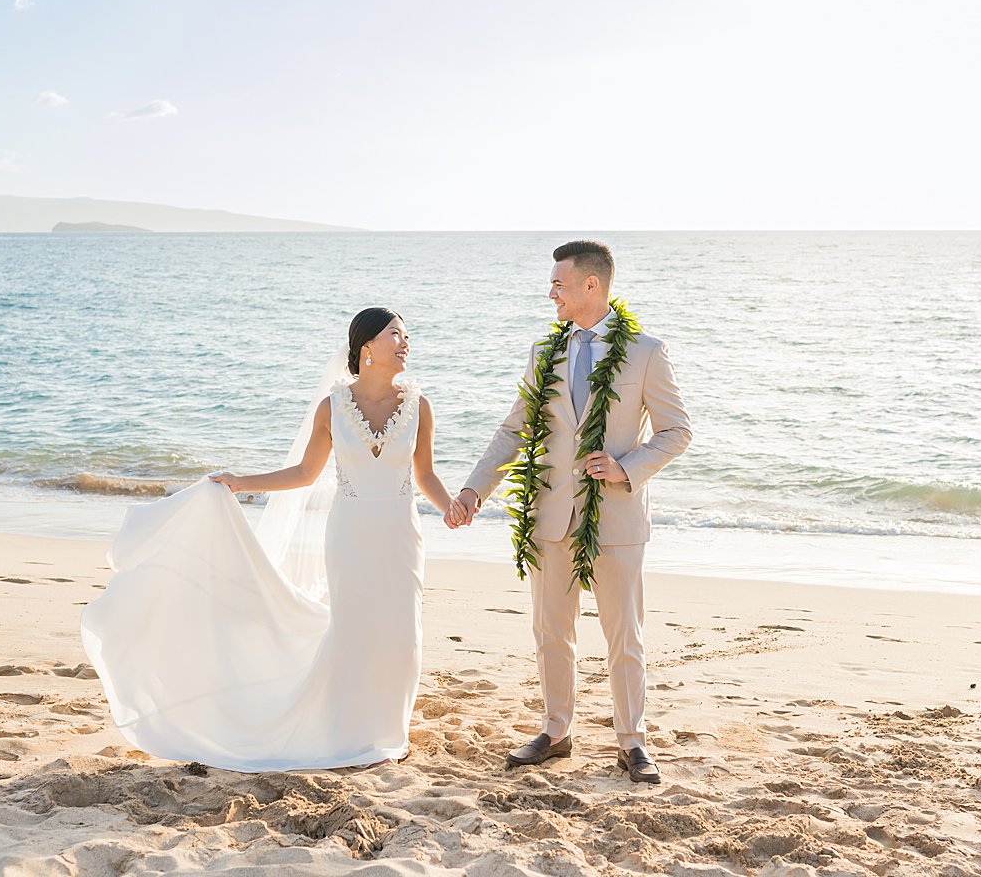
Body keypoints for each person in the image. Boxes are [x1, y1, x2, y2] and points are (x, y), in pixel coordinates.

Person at [81, 307, 455, 771]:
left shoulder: (419, 405)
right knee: (356, 631)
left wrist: (450, 506)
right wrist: (242, 482)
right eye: (395, 335)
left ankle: (387, 734)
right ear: (366, 349)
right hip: (351, 535)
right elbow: (305, 473)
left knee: (402, 635)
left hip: (401, 536)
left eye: (407, 336)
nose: (405, 343)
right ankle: (352, 732)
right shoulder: (332, 408)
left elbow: (425, 474)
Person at [446, 240, 691, 784]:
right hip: (551, 517)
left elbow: (678, 432)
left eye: (559, 283)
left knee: (624, 635)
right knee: (551, 631)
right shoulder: (545, 353)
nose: (550, 292)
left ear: (591, 285)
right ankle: (556, 731)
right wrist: (472, 491)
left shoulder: (647, 352)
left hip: (617, 520)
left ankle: (632, 742)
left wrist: (627, 465)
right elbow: (515, 428)